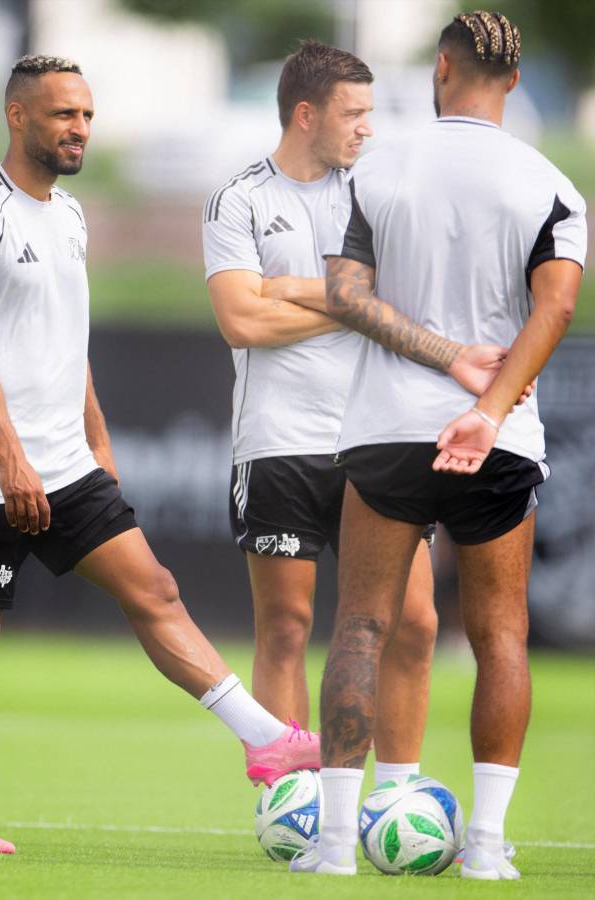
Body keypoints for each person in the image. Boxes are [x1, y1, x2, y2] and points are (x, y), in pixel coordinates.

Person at [0, 55, 319, 856]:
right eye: (64, 114)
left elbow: (66, 344)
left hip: (66, 460)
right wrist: (11, 460)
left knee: (156, 590)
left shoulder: (70, 216)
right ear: (18, 117)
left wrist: (95, 439)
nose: (80, 130)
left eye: (88, 116)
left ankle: (265, 738)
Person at [288, 11, 587, 879]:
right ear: (517, 81)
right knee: (501, 637)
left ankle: (337, 844)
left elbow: (345, 293)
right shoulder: (552, 183)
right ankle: (487, 849)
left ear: (442, 66)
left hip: (386, 431)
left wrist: (442, 362)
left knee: (361, 626)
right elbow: (556, 308)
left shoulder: (378, 167)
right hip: (496, 439)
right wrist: (488, 407)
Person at [203, 40, 518, 789]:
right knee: (286, 627)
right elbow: (242, 321)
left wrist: (293, 291)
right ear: (306, 114)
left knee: (414, 624)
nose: (367, 128)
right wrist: (351, 305)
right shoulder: (239, 196)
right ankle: (291, 801)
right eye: (354, 113)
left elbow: (406, 303)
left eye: (371, 113)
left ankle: (395, 791)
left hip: (374, 438)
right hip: (277, 437)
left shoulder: (374, 191)